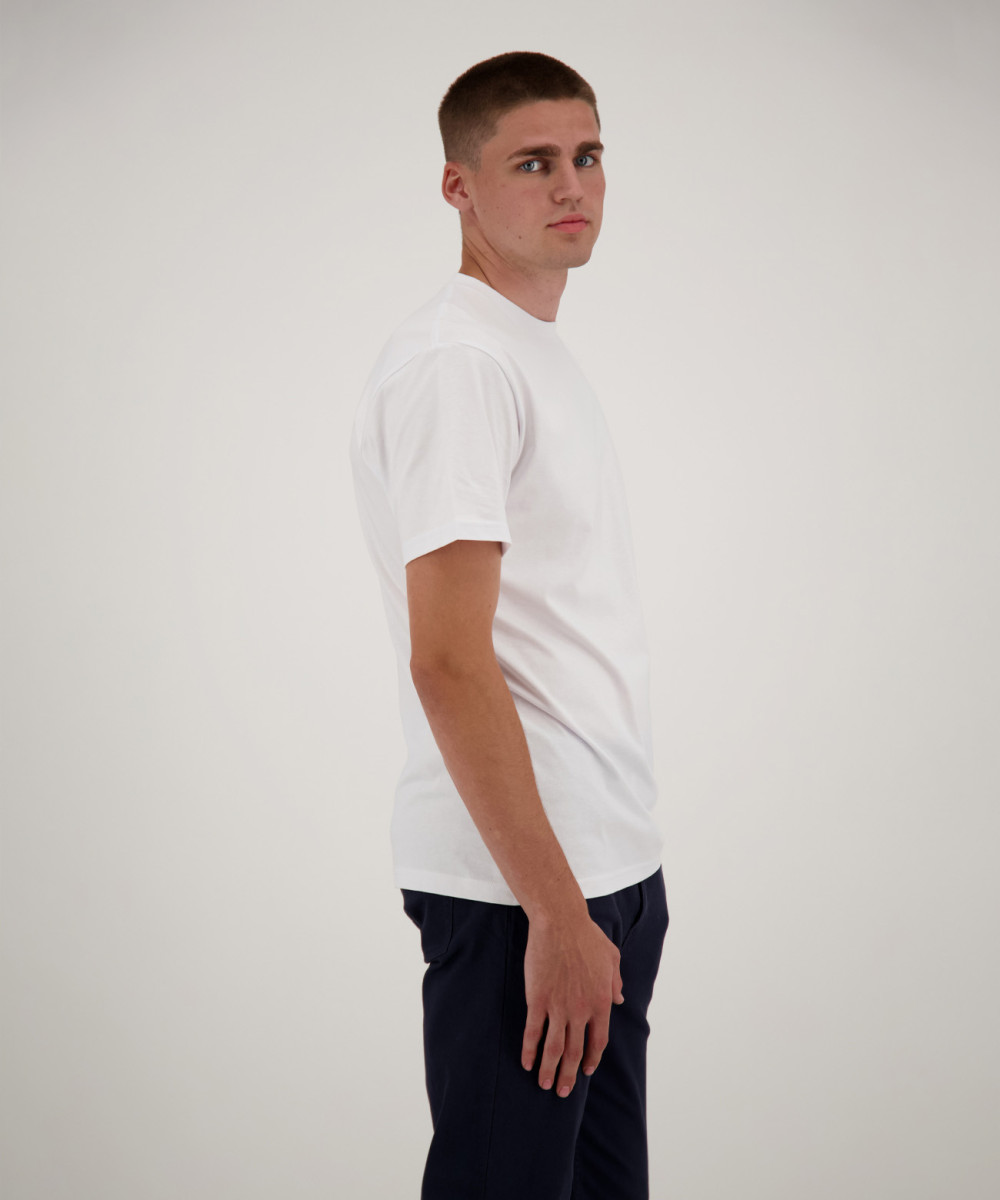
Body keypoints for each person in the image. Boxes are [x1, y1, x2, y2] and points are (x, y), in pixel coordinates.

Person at [349, 50, 669, 1199]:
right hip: (521, 892)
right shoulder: (459, 363)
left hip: (606, 865)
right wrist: (554, 909)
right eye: (532, 162)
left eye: (587, 156)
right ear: (459, 187)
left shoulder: (526, 349)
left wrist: (601, 894)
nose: (570, 184)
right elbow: (446, 657)